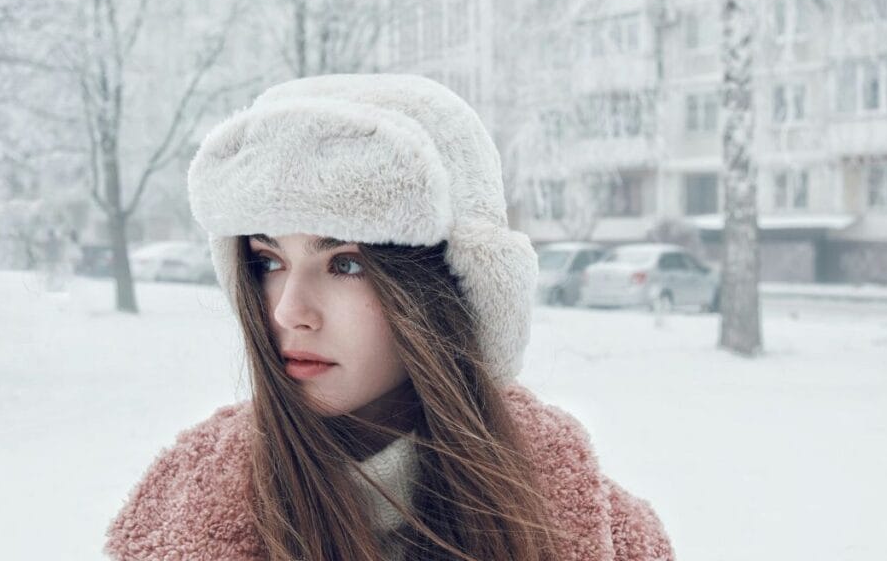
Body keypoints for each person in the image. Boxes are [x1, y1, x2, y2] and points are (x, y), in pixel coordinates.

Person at [104, 74, 674, 561]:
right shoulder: (175, 517)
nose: (288, 311)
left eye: (345, 263)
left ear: (446, 288)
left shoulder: (595, 533)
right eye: (268, 259)